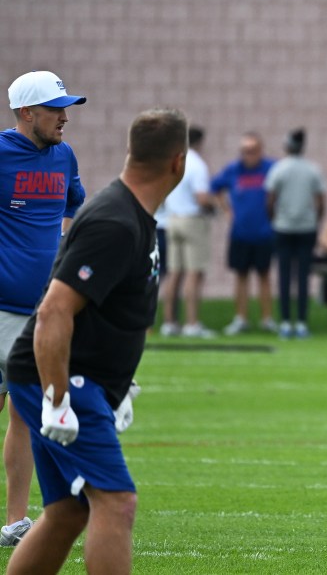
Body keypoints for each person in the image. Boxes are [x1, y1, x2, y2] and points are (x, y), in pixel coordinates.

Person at [4, 107, 188, 575]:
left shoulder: (136, 216)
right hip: (63, 379)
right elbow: (53, 311)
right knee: (117, 502)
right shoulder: (115, 222)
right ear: (179, 163)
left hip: (73, 379)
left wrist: (118, 386)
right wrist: (59, 397)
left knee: (68, 510)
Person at [0, 71, 87, 547]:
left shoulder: (64, 155)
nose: (65, 118)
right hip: (0, 310)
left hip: (42, 311)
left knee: (24, 411)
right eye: (56, 109)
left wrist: (62, 253)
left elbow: (75, 204)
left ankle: (15, 521)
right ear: (27, 113)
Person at [211, 132, 277, 336]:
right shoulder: (233, 170)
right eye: (245, 151)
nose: (248, 155)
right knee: (241, 276)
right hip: (240, 233)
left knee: (264, 275)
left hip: (264, 232)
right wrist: (227, 210)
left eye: (252, 151)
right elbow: (215, 188)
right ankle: (241, 318)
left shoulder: (271, 168)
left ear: (260, 151)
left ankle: (267, 319)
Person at [265, 128, 326, 339]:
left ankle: (284, 322)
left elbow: (270, 199)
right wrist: (314, 220)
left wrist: (274, 219)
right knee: (302, 278)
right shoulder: (313, 170)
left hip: (283, 228)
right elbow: (320, 202)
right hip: (306, 228)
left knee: (284, 277)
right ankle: (301, 322)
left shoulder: (278, 169)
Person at [160, 125, 216, 339]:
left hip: (172, 219)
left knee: (174, 273)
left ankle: (169, 322)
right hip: (192, 220)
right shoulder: (198, 165)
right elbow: (202, 197)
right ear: (200, 142)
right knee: (194, 272)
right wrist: (213, 206)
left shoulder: (176, 161)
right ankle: (192, 323)